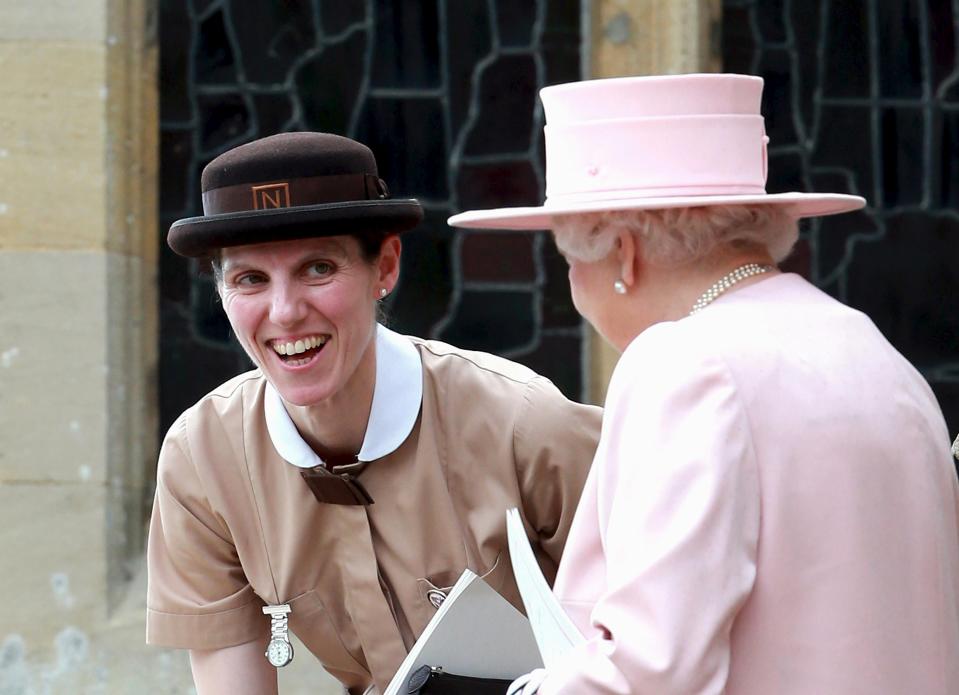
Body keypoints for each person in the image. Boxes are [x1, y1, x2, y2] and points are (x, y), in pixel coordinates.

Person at [449, 73, 959, 694]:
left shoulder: (684, 365)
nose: (573, 288)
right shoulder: (875, 353)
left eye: (569, 261)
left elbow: (651, 667)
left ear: (624, 255)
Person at [146, 131, 602, 695]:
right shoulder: (201, 460)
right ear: (221, 292)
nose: (285, 313)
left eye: (318, 268)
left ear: (384, 266)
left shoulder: (528, 424)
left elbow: (660, 642)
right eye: (250, 279)